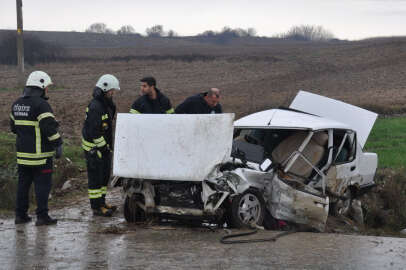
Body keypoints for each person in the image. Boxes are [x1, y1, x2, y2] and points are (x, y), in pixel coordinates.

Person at [10, 71, 63, 226]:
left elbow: (13, 128)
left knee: (23, 185)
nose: (47, 90)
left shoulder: (17, 103)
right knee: (42, 186)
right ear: (40, 86)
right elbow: (49, 129)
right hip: (41, 156)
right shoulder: (42, 105)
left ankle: (20, 215)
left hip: (22, 155)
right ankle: (42, 217)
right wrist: (58, 143)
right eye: (46, 87)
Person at [82, 74, 120, 217]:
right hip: (94, 149)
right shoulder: (95, 107)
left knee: (104, 177)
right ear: (105, 89)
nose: (113, 93)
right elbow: (94, 132)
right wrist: (103, 148)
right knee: (95, 179)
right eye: (112, 91)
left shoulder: (107, 105)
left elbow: (107, 127)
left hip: (103, 148)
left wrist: (107, 147)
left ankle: (102, 202)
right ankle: (96, 207)